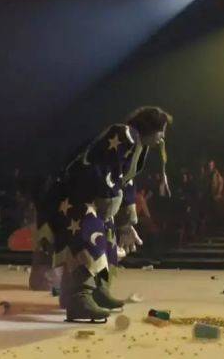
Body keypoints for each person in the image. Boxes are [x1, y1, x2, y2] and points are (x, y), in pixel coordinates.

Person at [37, 106, 173, 322]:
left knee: (109, 240)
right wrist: (110, 198)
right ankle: (78, 298)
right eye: (161, 131)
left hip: (94, 197)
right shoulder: (124, 134)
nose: (162, 137)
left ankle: (98, 292)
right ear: (150, 127)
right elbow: (102, 169)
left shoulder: (137, 146)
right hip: (77, 196)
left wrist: (126, 224)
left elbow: (125, 182)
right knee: (90, 238)